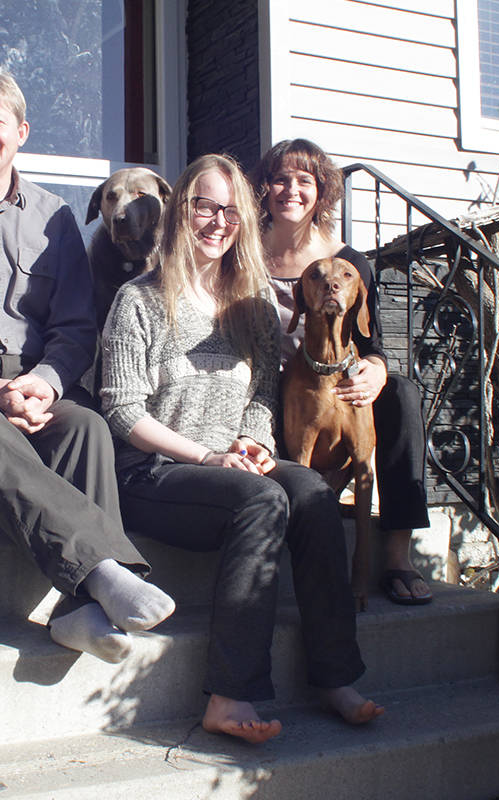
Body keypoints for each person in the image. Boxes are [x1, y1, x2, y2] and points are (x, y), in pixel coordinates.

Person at [100, 153, 383, 743]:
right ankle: (229, 694)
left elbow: (262, 389)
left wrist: (253, 440)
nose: (217, 221)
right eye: (204, 205)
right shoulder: (139, 299)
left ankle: (335, 674)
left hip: (234, 462)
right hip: (157, 473)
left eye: (230, 210)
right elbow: (122, 410)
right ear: (181, 211)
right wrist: (205, 456)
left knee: (308, 491)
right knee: (263, 501)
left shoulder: (250, 304)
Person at [0, 68, 174, 663]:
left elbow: (75, 326)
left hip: (32, 381)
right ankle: (103, 576)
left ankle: (73, 611)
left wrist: (43, 381)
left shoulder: (54, 216)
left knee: (87, 427)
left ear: (21, 132)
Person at [250, 138, 433, 606]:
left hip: (330, 382)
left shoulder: (348, 262)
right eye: (280, 179)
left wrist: (375, 369)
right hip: (261, 385)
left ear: (321, 191)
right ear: (265, 189)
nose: (291, 190)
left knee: (403, 395)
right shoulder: (244, 250)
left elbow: (372, 341)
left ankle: (397, 556)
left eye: (304, 181)